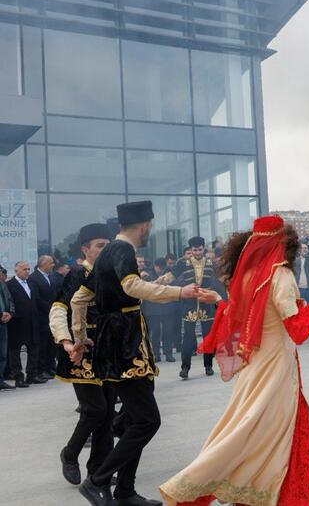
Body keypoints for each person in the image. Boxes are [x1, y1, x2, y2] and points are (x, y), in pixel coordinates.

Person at [159, 215, 309, 506]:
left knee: (244, 429)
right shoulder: (280, 275)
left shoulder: (245, 276)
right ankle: (195, 486)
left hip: (252, 368)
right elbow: (296, 327)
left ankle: (245, 494)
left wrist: (219, 303)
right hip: (275, 368)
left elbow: (240, 318)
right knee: (262, 434)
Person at [70, 201, 198, 506]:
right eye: (149, 227)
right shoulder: (123, 251)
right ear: (144, 225)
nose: (149, 232)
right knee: (146, 421)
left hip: (119, 342)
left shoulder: (108, 254)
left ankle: (125, 490)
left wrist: (82, 338)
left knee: (133, 421)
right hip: (126, 344)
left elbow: (79, 299)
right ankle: (98, 480)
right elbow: (132, 286)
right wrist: (180, 292)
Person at [48, 223, 116, 487]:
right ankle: (70, 453)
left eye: (108, 245)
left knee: (108, 413)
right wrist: (66, 342)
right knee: (95, 410)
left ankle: (98, 472)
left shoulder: (113, 274)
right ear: (85, 249)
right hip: (80, 350)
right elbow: (58, 309)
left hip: (108, 352)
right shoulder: (78, 273)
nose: (105, 250)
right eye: (100, 245)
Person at [156, 236, 224, 380]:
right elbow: (169, 276)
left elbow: (223, 277)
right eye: (195, 250)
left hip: (207, 304)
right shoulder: (183, 263)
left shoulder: (211, 263)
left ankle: (208, 366)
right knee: (187, 338)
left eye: (200, 249)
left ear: (203, 249)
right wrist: (155, 284)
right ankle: (185, 368)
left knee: (208, 337)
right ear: (191, 250)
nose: (197, 252)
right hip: (190, 305)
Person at [6, 261, 44, 387]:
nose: (27, 271)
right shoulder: (9, 285)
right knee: (15, 352)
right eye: (24, 269)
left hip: (33, 323)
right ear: (16, 271)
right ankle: (18, 377)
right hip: (17, 324)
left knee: (34, 349)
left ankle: (32, 375)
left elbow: (37, 301)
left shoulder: (32, 284)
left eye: (28, 269)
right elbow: (8, 303)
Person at [142, 258, 178, 362]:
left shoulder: (169, 273)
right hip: (153, 309)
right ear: (155, 266)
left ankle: (169, 354)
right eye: (159, 269)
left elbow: (174, 286)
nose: (161, 271)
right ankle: (156, 354)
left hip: (167, 307)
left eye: (163, 269)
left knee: (168, 331)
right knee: (155, 333)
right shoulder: (147, 274)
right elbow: (144, 288)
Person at [29, 254, 58, 379]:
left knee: (52, 344)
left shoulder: (50, 276)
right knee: (43, 345)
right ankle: (40, 370)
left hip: (52, 316)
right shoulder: (34, 278)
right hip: (42, 317)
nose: (53, 265)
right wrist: (51, 308)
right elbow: (37, 298)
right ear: (43, 264)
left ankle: (49, 367)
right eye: (51, 263)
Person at [0, 269, 15, 390]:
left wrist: (10, 313)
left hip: (3, 323)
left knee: (3, 354)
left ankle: (1, 380)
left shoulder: (3, 284)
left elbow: (10, 300)